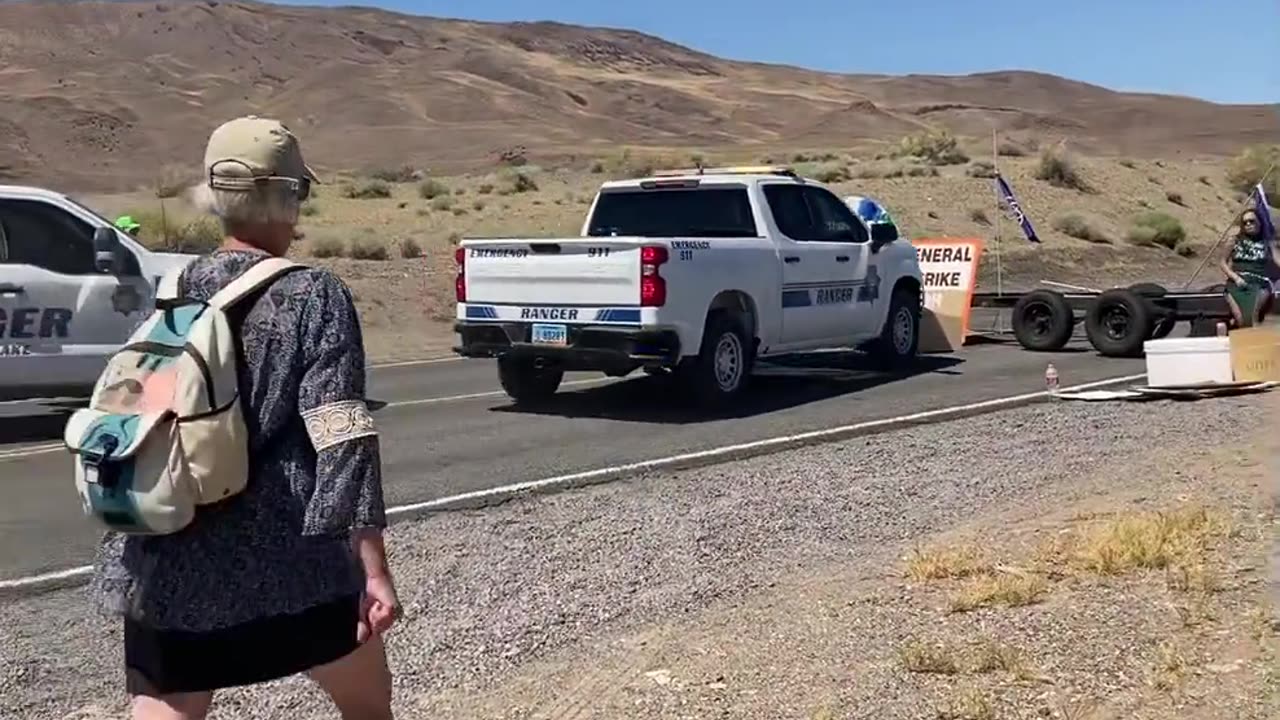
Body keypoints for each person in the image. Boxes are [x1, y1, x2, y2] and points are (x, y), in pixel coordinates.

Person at [88, 115, 399, 720]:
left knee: (166, 703)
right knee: (368, 705)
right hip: (290, 560)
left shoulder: (175, 284)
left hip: (167, 548)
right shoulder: (315, 294)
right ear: (286, 196)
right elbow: (342, 437)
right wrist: (373, 570)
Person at [1219, 207, 1279, 328]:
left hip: (1259, 283)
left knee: (1251, 318)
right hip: (1236, 284)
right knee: (1240, 319)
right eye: (1245, 222)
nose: (1248, 224)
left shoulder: (1267, 242)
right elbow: (1222, 262)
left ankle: (1251, 343)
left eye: (1252, 221)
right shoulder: (1234, 241)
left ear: (1260, 222)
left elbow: (1278, 259)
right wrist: (1235, 278)